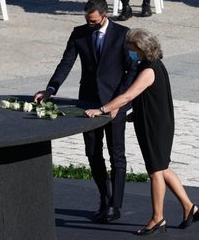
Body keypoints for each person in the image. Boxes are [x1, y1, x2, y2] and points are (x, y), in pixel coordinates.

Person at [85, 28, 199, 235]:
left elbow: (128, 96)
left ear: (142, 48)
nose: (130, 52)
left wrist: (102, 109)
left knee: (155, 171)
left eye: (132, 49)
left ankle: (158, 219)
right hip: (155, 121)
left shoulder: (148, 71)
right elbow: (150, 98)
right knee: (162, 168)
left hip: (154, 126)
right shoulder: (151, 65)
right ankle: (190, 207)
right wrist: (136, 113)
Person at [33, 0, 136, 223]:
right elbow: (66, 62)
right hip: (88, 103)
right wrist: (51, 89)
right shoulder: (79, 33)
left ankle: (115, 205)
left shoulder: (123, 34)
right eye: (87, 20)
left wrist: (119, 102)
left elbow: (131, 71)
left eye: (93, 21)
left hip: (114, 105)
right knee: (92, 152)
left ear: (105, 15)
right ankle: (104, 197)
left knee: (116, 154)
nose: (89, 25)